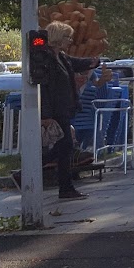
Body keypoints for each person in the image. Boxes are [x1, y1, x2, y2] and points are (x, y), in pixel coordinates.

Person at [39, 21, 100, 199]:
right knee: (64, 146)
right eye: (67, 37)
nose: (70, 41)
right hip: (56, 110)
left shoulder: (61, 57)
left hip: (64, 108)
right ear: (58, 38)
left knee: (63, 146)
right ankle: (65, 188)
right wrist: (46, 115)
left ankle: (29, 171)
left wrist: (93, 62)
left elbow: (76, 63)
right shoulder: (46, 59)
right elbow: (44, 89)